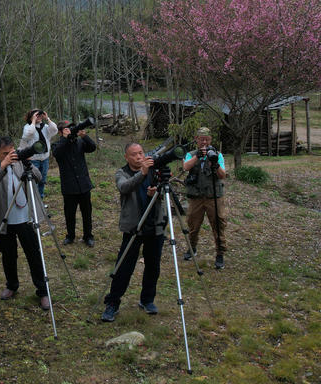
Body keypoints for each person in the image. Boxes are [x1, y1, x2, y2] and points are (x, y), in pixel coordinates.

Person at [101, 143, 166, 322]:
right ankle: (112, 303)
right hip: (134, 227)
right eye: (134, 154)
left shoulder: (154, 169)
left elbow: (166, 194)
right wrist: (142, 173)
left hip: (155, 225)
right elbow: (124, 187)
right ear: (126, 157)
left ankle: (147, 300)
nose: (139, 157)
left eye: (141, 153)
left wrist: (156, 193)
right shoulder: (121, 173)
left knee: (153, 266)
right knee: (124, 267)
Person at [0, 136, 50, 310]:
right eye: (5, 153)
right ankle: (11, 285)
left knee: (34, 254)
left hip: (25, 217)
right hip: (5, 219)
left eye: (11, 151)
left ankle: (43, 290)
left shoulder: (20, 161)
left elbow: (38, 177)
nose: (9, 155)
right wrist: (3, 165)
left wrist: (28, 163)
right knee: (8, 254)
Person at [182, 127, 227, 269]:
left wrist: (215, 163)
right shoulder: (191, 154)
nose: (204, 142)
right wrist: (198, 156)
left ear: (211, 140)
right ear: (196, 139)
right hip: (196, 196)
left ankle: (220, 254)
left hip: (213, 196)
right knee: (193, 224)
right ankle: (192, 248)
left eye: (207, 139)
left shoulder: (217, 155)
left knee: (218, 225)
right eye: (201, 139)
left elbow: (222, 175)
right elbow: (185, 167)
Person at [51, 120, 97, 247]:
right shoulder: (57, 145)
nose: (70, 130)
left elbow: (92, 147)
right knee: (69, 214)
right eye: (66, 128)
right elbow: (56, 154)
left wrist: (84, 136)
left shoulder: (80, 142)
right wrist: (65, 138)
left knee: (87, 213)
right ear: (60, 132)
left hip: (84, 185)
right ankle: (70, 236)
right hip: (69, 186)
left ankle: (88, 236)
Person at [18, 109, 58, 199]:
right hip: (33, 159)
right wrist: (33, 121)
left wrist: (47, 118)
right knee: (33, 181)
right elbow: (29, 133)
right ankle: (33, 201)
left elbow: (55, 130)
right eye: (36, 115)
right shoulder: (28, 127)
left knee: (42, 180)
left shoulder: (45, 127)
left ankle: (40, 199)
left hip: (45, 159)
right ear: (31, 116)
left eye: (40, 115)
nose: (39, 117)